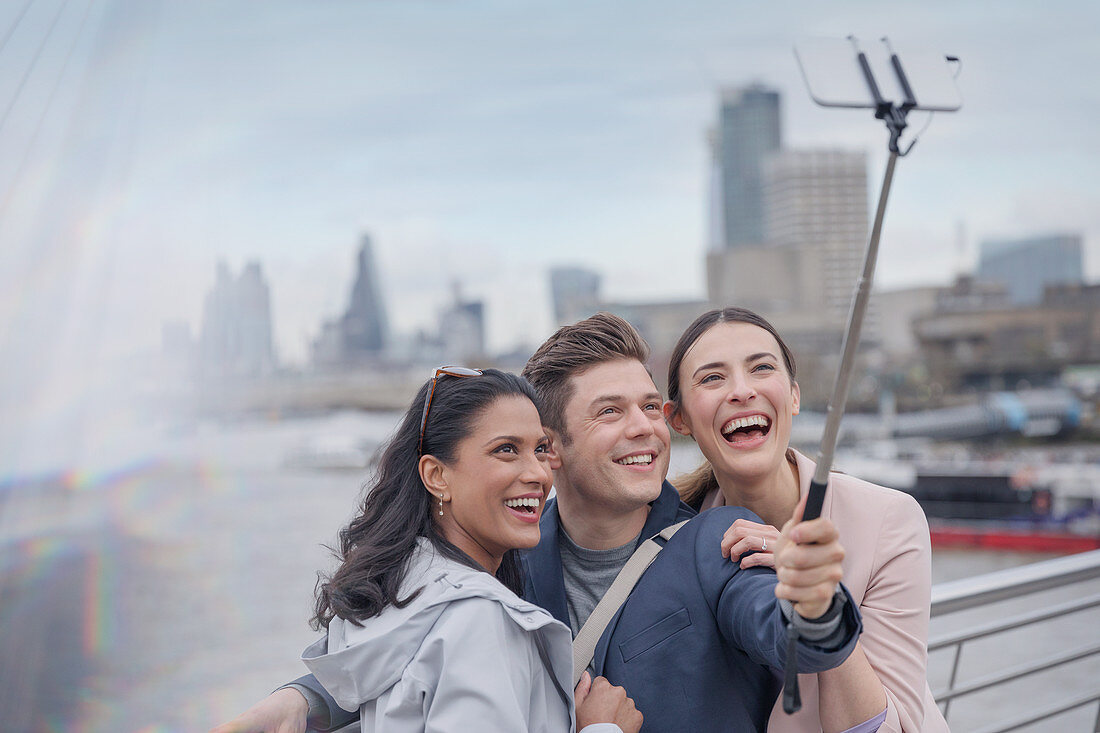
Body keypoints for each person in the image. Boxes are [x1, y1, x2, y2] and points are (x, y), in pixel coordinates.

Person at [214, 313, 862, 733]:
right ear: (551, 447)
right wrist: (308, 700)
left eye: (648, 407)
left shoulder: (714, 542)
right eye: (609, 411)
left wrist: (813, 598)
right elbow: (414, 642)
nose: (643, 427)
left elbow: (801, 638)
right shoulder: (509, 555)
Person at [294, 367, 642, 733]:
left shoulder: (399, 595)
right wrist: (603, 729)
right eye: (506, 450)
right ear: (436, 476)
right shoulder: (478, 619)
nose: (539, 474)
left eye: (540, 449)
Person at [663, 307, 948, 733]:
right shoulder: (672, 537)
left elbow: (896, 727)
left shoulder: (889, 520)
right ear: (678, 418)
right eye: (712, 378)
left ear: (793, 396)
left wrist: (822, 604)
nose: (741, 391)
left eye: (761, 368)